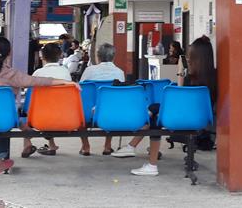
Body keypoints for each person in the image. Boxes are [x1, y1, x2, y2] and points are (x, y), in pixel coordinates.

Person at [0, 36, 79, 176]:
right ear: (9, 53)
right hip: (2, 120)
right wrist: (66, 82)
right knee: (6, 118)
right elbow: (38, 81)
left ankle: (11, 149)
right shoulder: (12, 74)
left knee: (4, 116)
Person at [114, 36, 216, 177]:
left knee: (155, 115)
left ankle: (146, 159)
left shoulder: (189, 78)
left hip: (181, 118)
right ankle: (133, 147)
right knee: (155, 110)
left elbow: (180, 95)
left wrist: (180, 71)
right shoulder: (215, 77)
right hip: (201, 120)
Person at [79, 43, 125, 156]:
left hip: (88, 113)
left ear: (98, 57)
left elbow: (80, 89)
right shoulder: (119, 72)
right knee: (111, 105)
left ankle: (85, 146)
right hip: (108, 112)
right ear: (114, 56)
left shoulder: (89, 71)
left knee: (80, 111)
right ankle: (107, 146)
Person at [32, 43, 72, 156]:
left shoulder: (38, 73)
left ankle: (27, 143)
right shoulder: (65, 72)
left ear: (42, 57)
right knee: (53, 106)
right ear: (60, 56)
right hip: (65, 115)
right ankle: (51, 144)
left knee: (41, 108)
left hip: (41, 118)